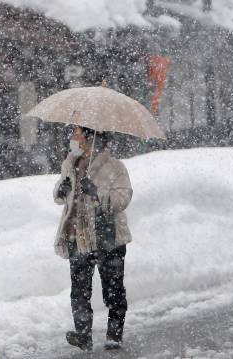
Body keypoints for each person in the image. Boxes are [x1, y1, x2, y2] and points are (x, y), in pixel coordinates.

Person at [53, 126, 133, 351]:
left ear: (91, 138)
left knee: (113, 291)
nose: (72, 138)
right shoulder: (70, 163)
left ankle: (114, 336)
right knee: (79, 292)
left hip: (107, 237)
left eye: (77, 133)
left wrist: (97, 192)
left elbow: (123, 197)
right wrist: (61, 190)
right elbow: (61, 197)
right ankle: (83, 336)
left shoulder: (115, 167)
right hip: (77, 236)